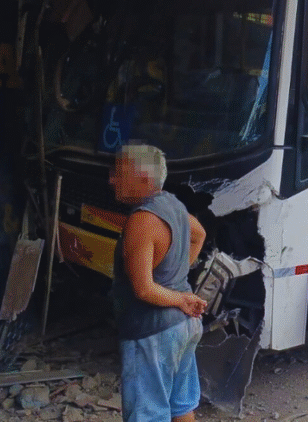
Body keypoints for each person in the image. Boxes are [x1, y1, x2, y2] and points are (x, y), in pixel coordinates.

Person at [110, 142, 207, 422]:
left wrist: (179, 297)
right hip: (184, 327)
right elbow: (198, 234)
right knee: (181, 406)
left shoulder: (142, 220)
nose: (112, 180)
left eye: (119, 173)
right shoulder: (172, 204)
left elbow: (143, 289)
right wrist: (176, 276)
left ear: (143, 178)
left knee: (148, 415)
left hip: (153, 331)